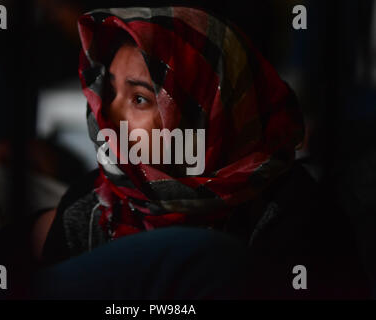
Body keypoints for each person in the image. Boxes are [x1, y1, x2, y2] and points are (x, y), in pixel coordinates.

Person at [31, 7, 369, 298]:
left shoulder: (294, 218)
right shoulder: (89, 208)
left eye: (139, 99)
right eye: (109, 90)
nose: (108, 112)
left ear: (206, 114)